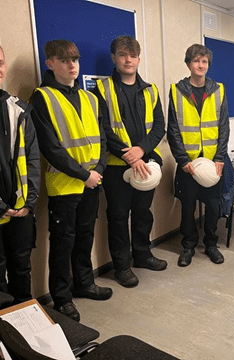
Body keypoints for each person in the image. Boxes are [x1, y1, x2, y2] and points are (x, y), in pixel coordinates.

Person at [30, 40, 112, 321]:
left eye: (75, 59)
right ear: (50, 63)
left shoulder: (90, 97)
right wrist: (84, 174)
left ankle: (85, 284)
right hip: (65, 185)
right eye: (64, 60)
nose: (72, 65)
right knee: (63, 243)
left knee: (85, 237)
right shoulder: (42, 97)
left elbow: (101, 137)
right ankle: (62, 299)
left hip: (93, 180)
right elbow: (50, 147)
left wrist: (98, 169)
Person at [92, 36, 167, 288]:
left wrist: (141, 150)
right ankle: (121, 267)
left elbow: (159, 127)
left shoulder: (150, 89)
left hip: (146, 164)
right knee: (118, 217)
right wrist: (128, 154)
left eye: (133, 55)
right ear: (114, 57)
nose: (128, 60)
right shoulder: (100, 90)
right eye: (123, 55)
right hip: (116, 167)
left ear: (138, 58)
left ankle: (143, 255)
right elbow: (102, 128)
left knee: (143, 214)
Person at [167, 44, 229, 267]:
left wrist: (220, 157)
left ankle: (211, 244)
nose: (200, 65)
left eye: (204, 61)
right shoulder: (176, 91)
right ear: (188, 64)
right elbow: (172, 129)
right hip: (188, 164)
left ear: (208, 65)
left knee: (213, 207)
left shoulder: (218, 89)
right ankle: (188, 246)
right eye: (196, 61)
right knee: (187, 207)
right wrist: (182, 159)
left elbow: (223, 127)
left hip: (213, 162)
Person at [0, 46, 41, 304]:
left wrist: (29, 202)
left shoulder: (18, 110)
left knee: (21, 269)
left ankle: (26, 324)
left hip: (20, 210)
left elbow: (33, 159)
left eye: (0, 62)